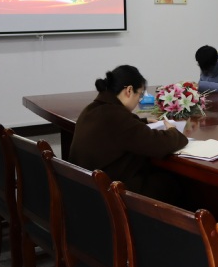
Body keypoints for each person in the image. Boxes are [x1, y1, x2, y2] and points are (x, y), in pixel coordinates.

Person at [69, 65, 188, 200]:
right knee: (172, 183)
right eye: (140, 94)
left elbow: (117, 130)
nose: (139, 100)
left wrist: (142, 122)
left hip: (85, 190)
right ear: (129, 90)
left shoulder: (92, 109)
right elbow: (159, 144)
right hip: (108, 195)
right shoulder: (117, 117)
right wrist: (173, 131)